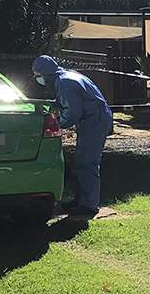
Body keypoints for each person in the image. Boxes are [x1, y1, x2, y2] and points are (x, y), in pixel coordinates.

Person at [32, 55, 113, 218]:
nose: (37, 79)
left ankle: (89, 206)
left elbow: (73, 112)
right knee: (82, 161)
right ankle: (82, 200)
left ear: (44, 74)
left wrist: (57, 125)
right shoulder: (67, 76)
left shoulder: (64, 82)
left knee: (87, 163)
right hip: (93, 119)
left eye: (37, 76)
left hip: (94, 121)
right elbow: (65, 102)